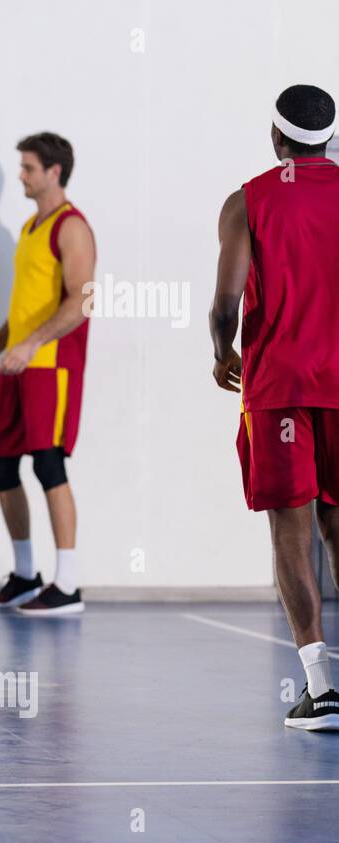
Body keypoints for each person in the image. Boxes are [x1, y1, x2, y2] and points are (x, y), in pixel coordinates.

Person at [209, 84, 339, 730]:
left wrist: (220, 350)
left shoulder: (249, 200)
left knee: (291, 529)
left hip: (280, 385)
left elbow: (225, 303)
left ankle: (320, 687)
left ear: (275, 135)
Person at [0, 132, 95, 615]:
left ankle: (68, 585)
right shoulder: (29, 228)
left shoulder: (72, 227)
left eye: (27, 168)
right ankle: (26, 575)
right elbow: (26, 308)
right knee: (1, 465)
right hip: (18, 362)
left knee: (48, 464)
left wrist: (30, 344)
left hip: (51, 365)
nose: (20, 176)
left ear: (54, 172)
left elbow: (82, 301)